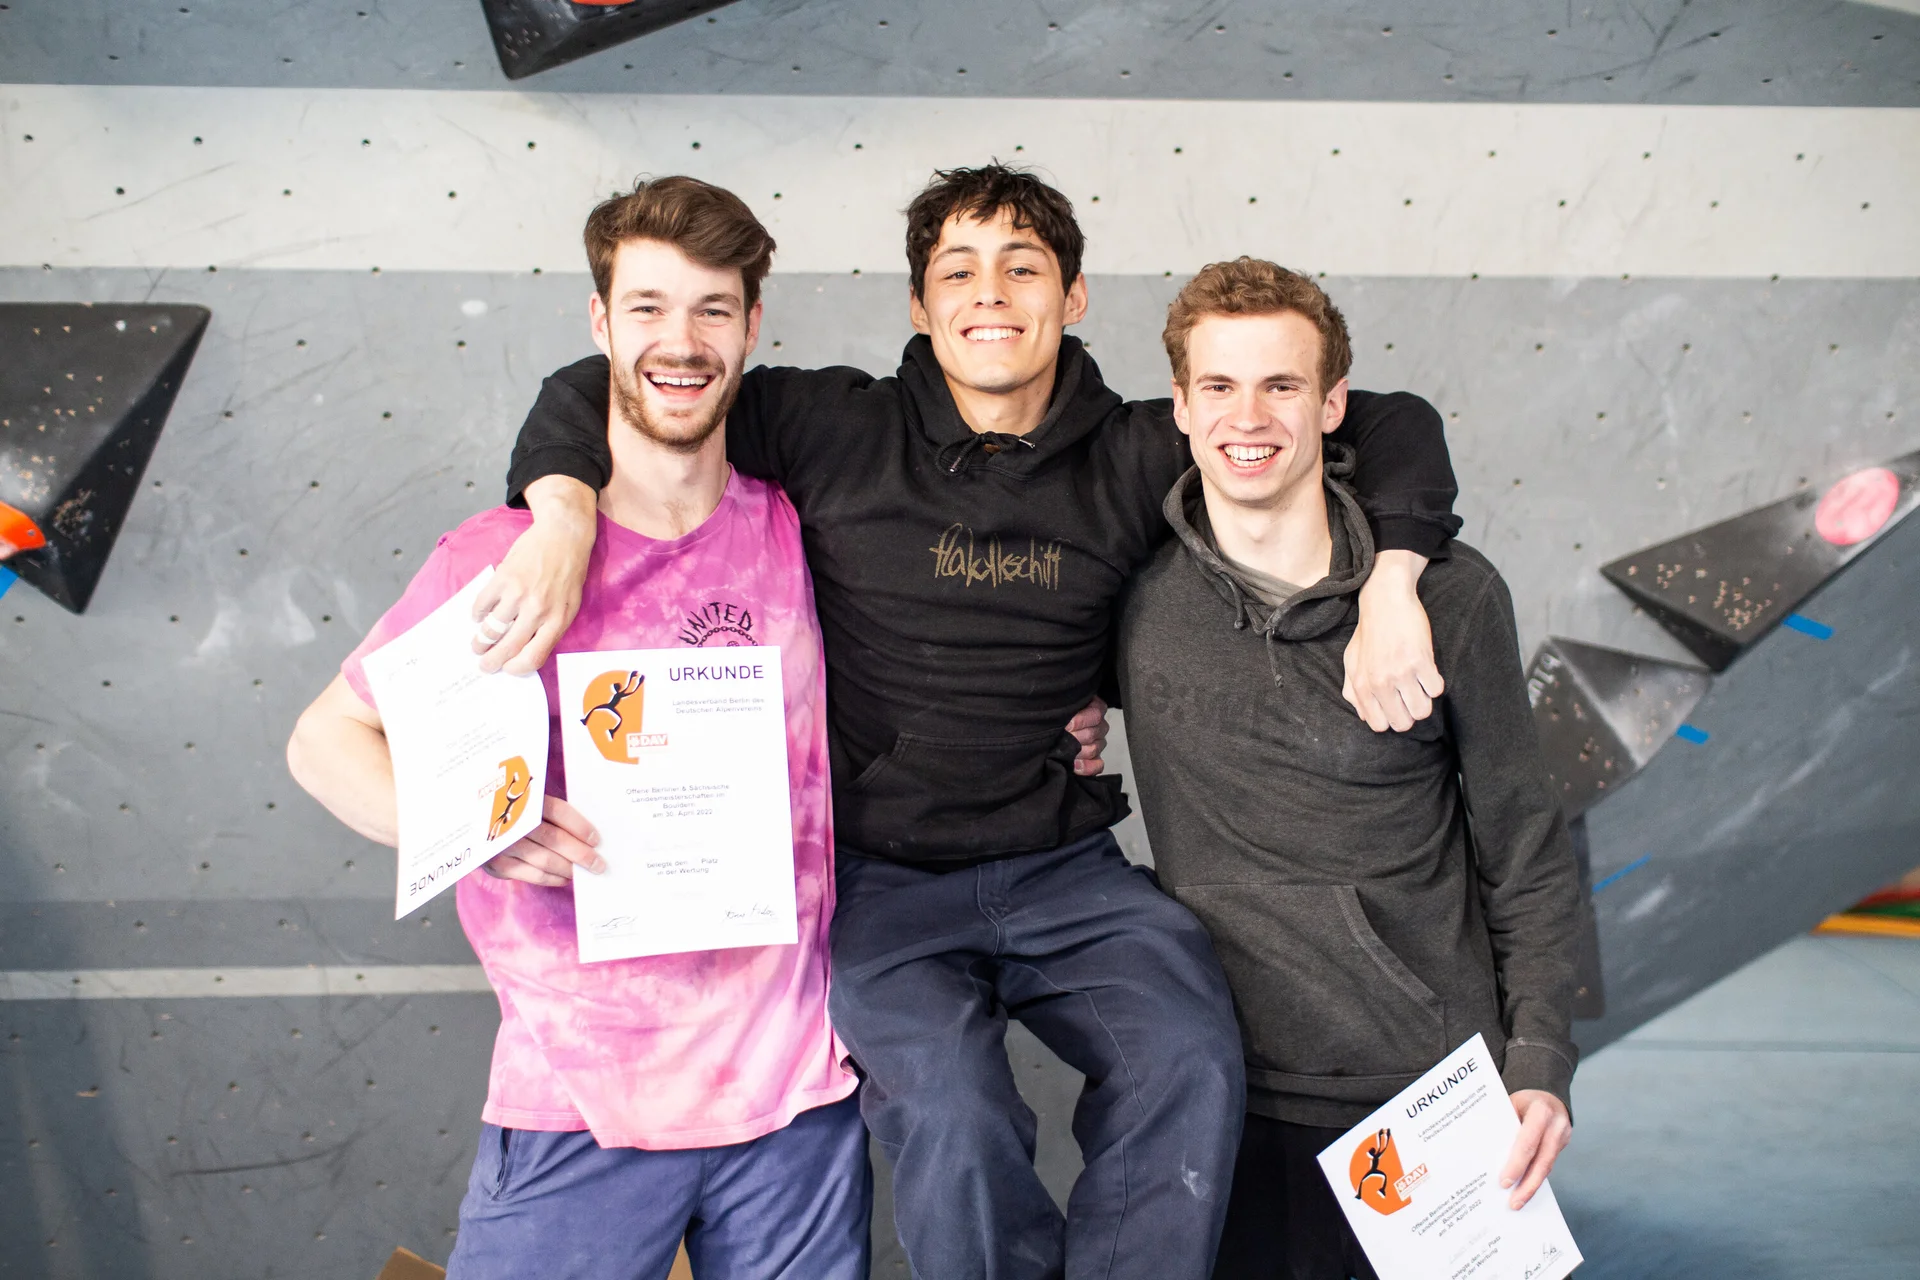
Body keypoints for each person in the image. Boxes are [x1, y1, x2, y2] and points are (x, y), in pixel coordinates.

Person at [477, 164, 1465, 1278]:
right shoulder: (828, 424)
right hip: (883, 886)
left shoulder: (1142, 448)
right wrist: (559, 516)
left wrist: (1392, 581)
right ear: (920, 305)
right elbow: (596, 384)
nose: (989, 292)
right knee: (952, 1115)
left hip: (1065, 869)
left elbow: (1388, 423)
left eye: (1022, 267)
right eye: (958, 270)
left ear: (1073, 296)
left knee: (1188, 1053)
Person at [286, 177, 872, 1280]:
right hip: (582, 1098)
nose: (681, 341)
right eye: (648, 307)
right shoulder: (501, 556)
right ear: (601, 324)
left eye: (711, 309)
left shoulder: (805, 533)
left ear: (751, 327)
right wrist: (474, 830)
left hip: (795, 1099)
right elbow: (322, 741)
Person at [1114, 258, 1579, 1280]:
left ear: (1332, 404)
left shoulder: (1447, 598)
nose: (1251, 416)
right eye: (1221, 387)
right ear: (1180, 408)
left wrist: (1540, 1058)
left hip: (1431, 1089)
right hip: (1225, 1092)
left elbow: (1526, 838)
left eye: (1282, 385)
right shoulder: (1131, 599)